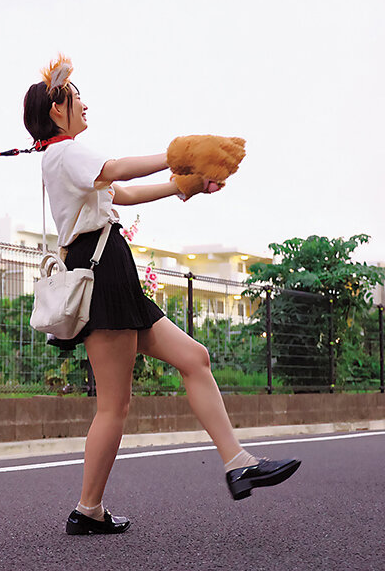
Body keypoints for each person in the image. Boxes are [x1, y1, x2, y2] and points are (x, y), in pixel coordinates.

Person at [22, 55, 300, 536]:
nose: (86, 103)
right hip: (101, 272)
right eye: (77, 96)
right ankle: (87, 510)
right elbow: (119, 169)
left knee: (195, 357)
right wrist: (181, 154)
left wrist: (182, 185)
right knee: (114, 404)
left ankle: (237, 462)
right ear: (57, 110)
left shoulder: (68, 158)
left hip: (113, 270)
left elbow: (120, 195)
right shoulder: (66, 153)